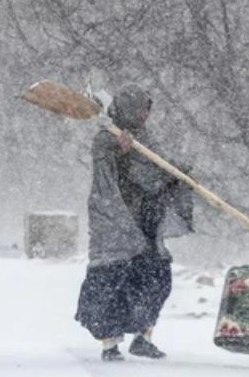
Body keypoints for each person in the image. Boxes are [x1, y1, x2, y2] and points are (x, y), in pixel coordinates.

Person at [75, 85, 193, 362]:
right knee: (112, 281)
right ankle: (110, 344)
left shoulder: (145, 137)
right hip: (115, 222)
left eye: (147, 109)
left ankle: (144, 336)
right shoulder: (106, 139)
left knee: (156, 278)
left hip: (146, 220)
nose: (145, 114)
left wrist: (181, 175)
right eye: (141, 109)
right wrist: (121, 153)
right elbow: (109, 176)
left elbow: (158, 169)